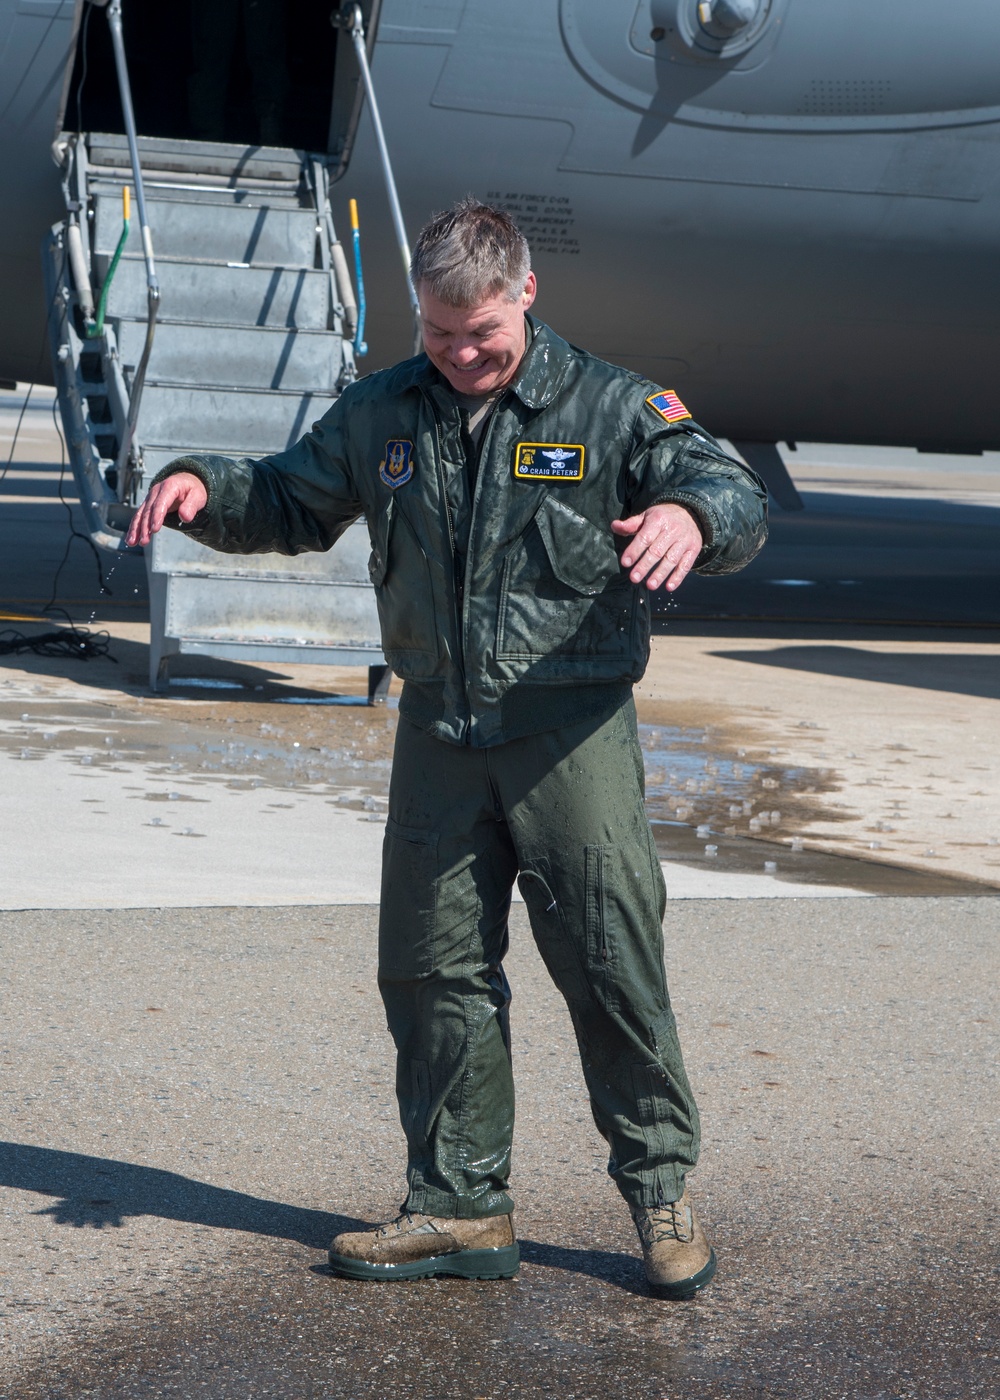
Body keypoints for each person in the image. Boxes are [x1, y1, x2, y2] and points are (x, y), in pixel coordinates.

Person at [127, 199, 767, 1300]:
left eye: (482, 333)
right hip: (438, 731)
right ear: (416, 314)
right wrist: (206, 487)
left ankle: (660, 1192)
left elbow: (731, 489)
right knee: (431, 974)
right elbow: (289, 497)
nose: (463, 356)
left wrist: (692, 520)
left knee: (612, 968)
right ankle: (459, 1204)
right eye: (438, 335)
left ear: (526, 294)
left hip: (568, 733)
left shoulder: (614, 405)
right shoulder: (385, 411)